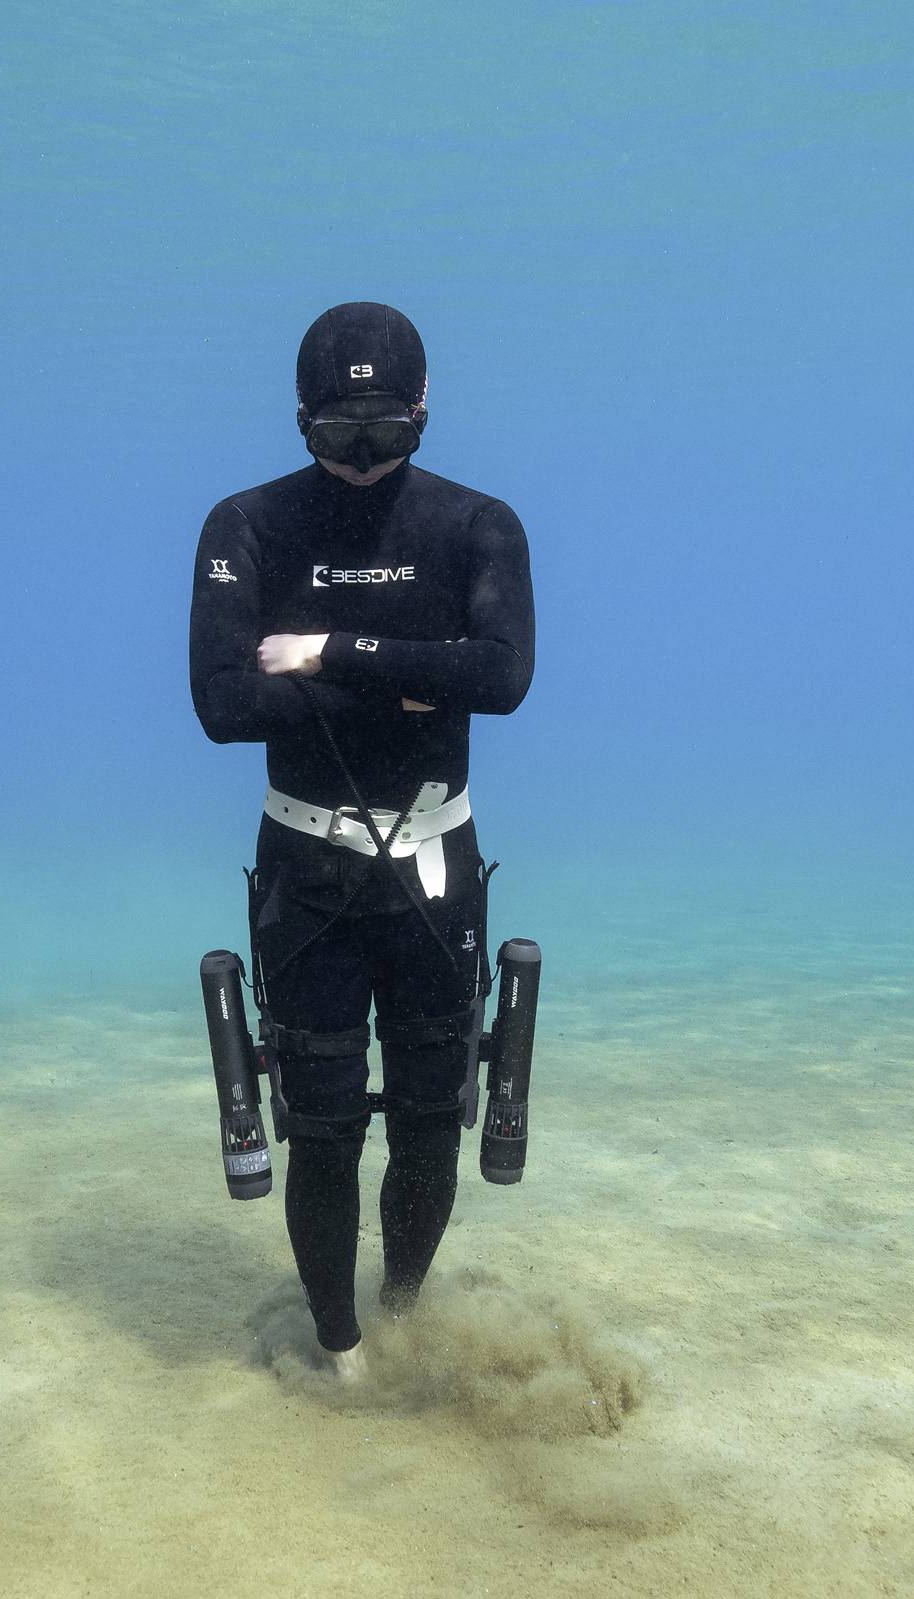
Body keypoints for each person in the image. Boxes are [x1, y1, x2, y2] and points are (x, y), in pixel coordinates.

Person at [187, 302, 536, 1381]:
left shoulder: (477, 526)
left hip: (436, 875)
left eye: (387, 435)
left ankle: (396, 1311)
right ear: (300, 420)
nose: (363, 462)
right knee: (324, 1122)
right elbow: (219, 702)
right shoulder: (243, 525)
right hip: (308, 872)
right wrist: (414, 676)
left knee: (433, 1119)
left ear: (424, 411)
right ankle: (338, 1353)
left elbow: (504, 678)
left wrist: (327, 649)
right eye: (339, 439)